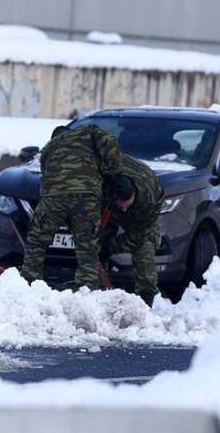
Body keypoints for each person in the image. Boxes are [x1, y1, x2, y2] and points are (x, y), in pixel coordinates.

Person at [21, 124, 124, 290]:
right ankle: (87, 286)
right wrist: (116, 173)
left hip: (54, 197)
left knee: (37, 241)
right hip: (86, 196)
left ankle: (29, 282)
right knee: (87, 245)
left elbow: (45, 176)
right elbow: (108, 140)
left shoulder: (48, 148)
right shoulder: (87, 132)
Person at [100, 154, 163, 306]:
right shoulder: (100, 183)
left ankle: (146, 298)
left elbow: (139, 236)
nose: (124, 209)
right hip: (108, 204)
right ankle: (97, 292)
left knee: (144, 246)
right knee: (96, 245)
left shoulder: (148, 199)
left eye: (127, 205)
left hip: (141, 216)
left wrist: (110, 246)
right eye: (121, 206)